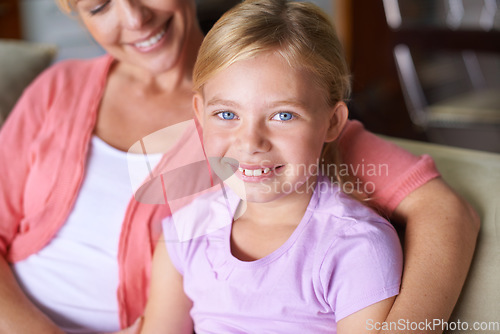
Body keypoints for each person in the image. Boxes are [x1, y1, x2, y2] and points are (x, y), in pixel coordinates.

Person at [0, 0, 478, 333]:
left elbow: (445, 212)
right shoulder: (57, 87)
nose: (134, 17)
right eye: (99, 4)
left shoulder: (287, 99)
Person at [140, 1, 403, 332]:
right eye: (227, 114)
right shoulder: (185, 232)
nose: (250, 142)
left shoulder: (355, 247)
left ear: (332, 122)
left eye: (283, 115)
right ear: (199, 114)